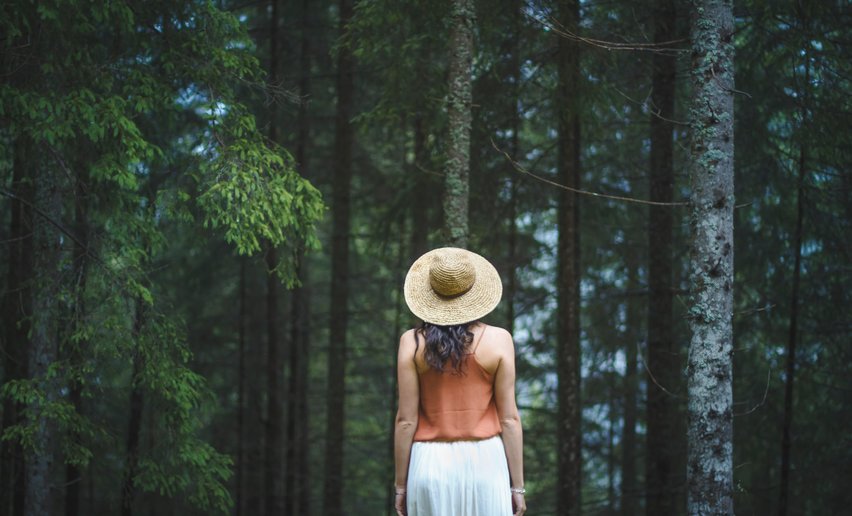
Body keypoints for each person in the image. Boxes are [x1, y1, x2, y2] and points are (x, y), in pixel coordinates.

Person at [394, 247, 526, 516]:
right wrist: (518, 488)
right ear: (474, 293)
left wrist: (400, 486)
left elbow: (406, 421)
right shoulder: (499, 340)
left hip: (429, 464)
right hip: (486, 463)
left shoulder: (411, 342)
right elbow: (509, 419)